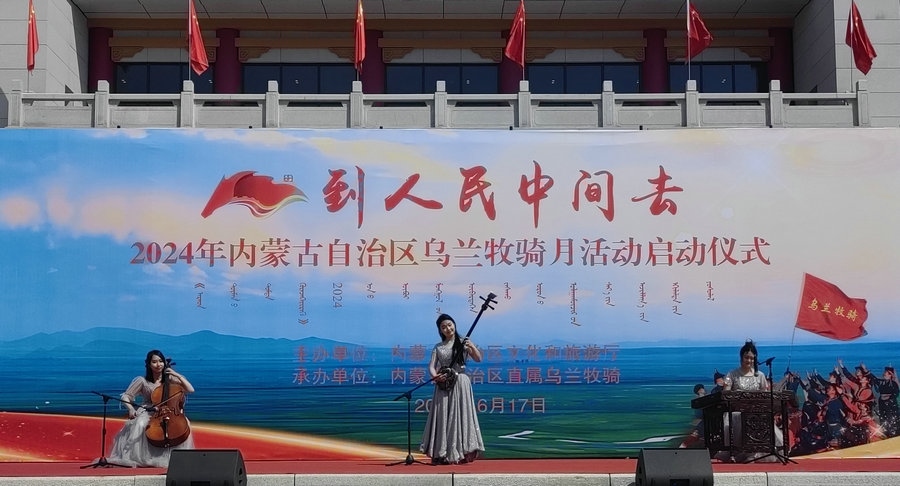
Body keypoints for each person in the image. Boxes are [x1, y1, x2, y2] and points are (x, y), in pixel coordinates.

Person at [107, 349, 196, 467]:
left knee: (185, 423)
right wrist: (131, 409)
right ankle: (141, 457)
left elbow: (190, 389)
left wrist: (176, 374)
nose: (158, 364)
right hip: (149, 410)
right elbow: (126, 396)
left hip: (169, 411)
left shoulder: (170, 379)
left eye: (161, 361)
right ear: (149, 364)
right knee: (140, 424)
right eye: (154, 362)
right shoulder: (142, 381)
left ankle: (172, 457)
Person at [420, 313, 485, 464]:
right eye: (443, 327)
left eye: (449, 325)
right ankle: (442, 452)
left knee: (461, 416)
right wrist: (436, 376)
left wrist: (472, 346)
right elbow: (431, 366)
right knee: (443, 415)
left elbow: (478, 358)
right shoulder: (438, 347)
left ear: (454, 324)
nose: (448, 328)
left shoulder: (463, 342)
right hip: (443, 384)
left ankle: (462, 451)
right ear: (440, 330)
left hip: (460, 382)